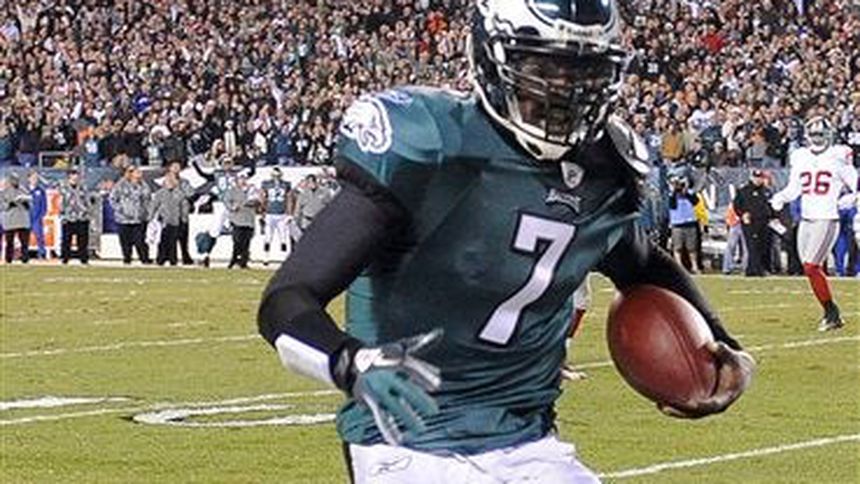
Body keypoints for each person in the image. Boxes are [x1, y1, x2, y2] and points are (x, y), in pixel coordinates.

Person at [257, 2, 755, 482]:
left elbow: (643, 265)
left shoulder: (605, 169)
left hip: (530, 444)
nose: (563, 89)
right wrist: (351, 363)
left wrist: (719, 346)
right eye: (543, 66)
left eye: (582, 71)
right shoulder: (430, 148)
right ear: (489, 57)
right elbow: (287, 300)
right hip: (406, 444)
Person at [771, 117, 858, 331]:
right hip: (807, 218)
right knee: (809, 267)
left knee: (811, 266)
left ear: (829, 135)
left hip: (827, 217)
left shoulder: (838, 155)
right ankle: (831, 312)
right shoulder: (800, 156)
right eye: (814, 134)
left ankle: (831, 313)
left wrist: (850, 198)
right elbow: (794, 188)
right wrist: (781, 196)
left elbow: (855, 185)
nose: (817, 138)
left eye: (821, 134)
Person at [733, 169, 773, 277]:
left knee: (763, 246)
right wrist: (742, 214)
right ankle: (756, 270)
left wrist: (772, 217)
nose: (758, 180)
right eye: (756, 177)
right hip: (750, 222)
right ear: (751, 178)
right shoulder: (743, 191)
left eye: (760, 178)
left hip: (764, 222)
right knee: (752, 245)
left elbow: (771, 206)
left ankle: (753, 269)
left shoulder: (766, 191)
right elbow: (737, 205)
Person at [110, 166, 152, 264]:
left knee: (140, 240)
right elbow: (113, 199)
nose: (138, 174)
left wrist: (146, 213)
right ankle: (127, 258)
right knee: (125, 241)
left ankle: (144, 258)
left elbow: (148, 200)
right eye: (134, 172)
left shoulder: (144, 185)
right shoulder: (120, 185)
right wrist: (121, 210)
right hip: (123, 219)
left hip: (139, 218)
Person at [224, 174, 259, 269]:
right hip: (237, 220)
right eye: (241, 178)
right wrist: (233, 207)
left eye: (244, 178)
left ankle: (243, 262)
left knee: (246, 243)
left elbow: (257, 201)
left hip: (249, 220)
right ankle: (233, 261)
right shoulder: (232, 191)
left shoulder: (251, 190)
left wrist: (250, 202)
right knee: (237, 242)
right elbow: (227, 202)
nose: (243, 180)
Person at [149, 173, 185, 266]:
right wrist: (150, 217)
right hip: (163, 221)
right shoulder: (160, 193)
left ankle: (173, 259)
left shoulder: (179, 193)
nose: (170, 183)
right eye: (168, 181)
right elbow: (154, 206)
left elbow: (183, 207)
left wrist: (183, 218)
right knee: (162, 241)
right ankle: (160, 259)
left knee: (173, 241)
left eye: (172, 181)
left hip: (175, 221)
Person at [668, 175, 701, 273]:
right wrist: (674, 190)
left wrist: (685, 191)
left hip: (690, 223)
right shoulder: (672, 195)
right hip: (677, 224)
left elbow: (696, 202)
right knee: (677, 247)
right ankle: (679, 267)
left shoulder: (689, 193)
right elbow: (672, 205)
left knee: (692, 248)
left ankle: (694, 266)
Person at [260, 167, 293, 265]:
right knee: (268, 236)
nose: (276, 177)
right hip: (269, 213)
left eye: (278, 175)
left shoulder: (286, 184)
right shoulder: (266, 184)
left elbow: (289, 199)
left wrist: (289, 213)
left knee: (283, 237)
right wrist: (262, 211)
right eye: (274, 175)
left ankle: (283, 257)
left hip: (281, 214)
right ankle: (266, 257)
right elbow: (263, 198)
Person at [59, 170, 92, 264]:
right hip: (68, 217)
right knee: (66, 239)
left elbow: (87, 201)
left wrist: (87, 213)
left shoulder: (83, 188)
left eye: (76, 178)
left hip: (82, 217)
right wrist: (62, 215)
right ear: (69, 178)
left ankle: (83, 258)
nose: (75, 180)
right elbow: (61, 203)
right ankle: (65, 258)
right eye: (73, 178)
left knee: (83, 240)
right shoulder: (64, 188)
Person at [1, 173, 32, 264]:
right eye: (13, 180)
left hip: (23, 219)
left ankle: (25, 258)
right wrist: (9, 204)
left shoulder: (23, 190)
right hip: (10, 220)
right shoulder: (4, 192)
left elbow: (31, 202)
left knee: (24, 242)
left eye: (16, 179)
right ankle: (8, 259)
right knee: (9, 242)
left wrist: (26, 204)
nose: (15, 181)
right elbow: (1, 206)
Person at [722, 203, 747, 274]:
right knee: (745, 247)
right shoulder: (742, 201)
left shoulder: (734, 202)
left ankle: (727, 267)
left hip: (735, 224)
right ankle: (745, 267)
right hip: (739, 224)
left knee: (731, 247)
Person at [28, 171, 48, 259]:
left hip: (37, 217)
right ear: (28, 179)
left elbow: (44, 204)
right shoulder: (24, 190)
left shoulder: (40, 190)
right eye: (33, 178)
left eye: (36, 178)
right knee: (24, 237)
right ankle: (23, 253)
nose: (34, 180)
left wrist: (42, 214)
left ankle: (42, 253)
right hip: (26, 217)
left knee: (40, 236)